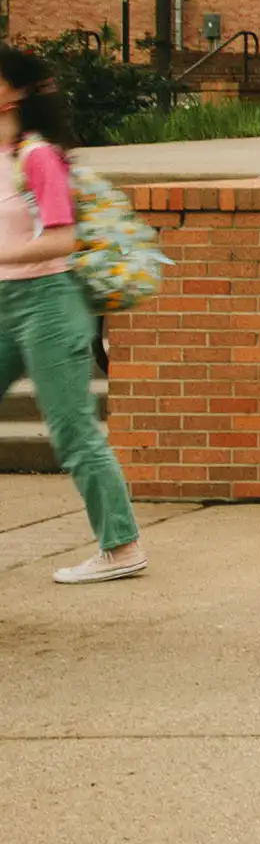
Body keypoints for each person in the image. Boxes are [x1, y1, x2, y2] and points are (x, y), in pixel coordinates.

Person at [0, 48, 145, 584]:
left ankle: (121, 546)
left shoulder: (37, 157)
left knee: (71, 429)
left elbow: (62, 237)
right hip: (2, 302)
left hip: (47, 303)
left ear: (13, 93)